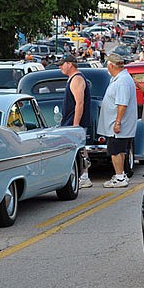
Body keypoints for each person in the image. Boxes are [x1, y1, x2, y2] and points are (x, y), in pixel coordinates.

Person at [98, 53, 138, 188]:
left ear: (111, 65)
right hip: (118, 124)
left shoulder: (122, 82)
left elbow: (122, 104)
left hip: (118, 125)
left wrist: (118, 122)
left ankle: (119, 177)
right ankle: (120, 174)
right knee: (119, 150)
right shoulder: (120, 79)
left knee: (115, 151)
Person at [58, 54, 93, 188]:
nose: (60, 66)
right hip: (71, 121)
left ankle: (84, 176)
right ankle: (82, 175)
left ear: (70, 64)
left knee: (79, 149)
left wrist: (76, 124)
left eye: (62, 64)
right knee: (79, 149)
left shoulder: (76, 79)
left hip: (75, 123)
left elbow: (79, 103)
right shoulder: (73, 79)